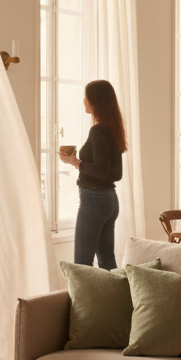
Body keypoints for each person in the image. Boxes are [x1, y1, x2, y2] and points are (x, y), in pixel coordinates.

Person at [60, 80, 127, 270]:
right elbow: (115, 174)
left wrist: (75, 162)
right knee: (107, 262)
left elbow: (101, 170)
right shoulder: (113, 129)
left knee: (82, 264)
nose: (84, 101)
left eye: (86, 97)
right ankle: (116, 299)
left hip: (94, 200)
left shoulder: (98, 130)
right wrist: (79, 164)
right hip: (110, 201)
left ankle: (82, 301)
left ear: (95, 101)